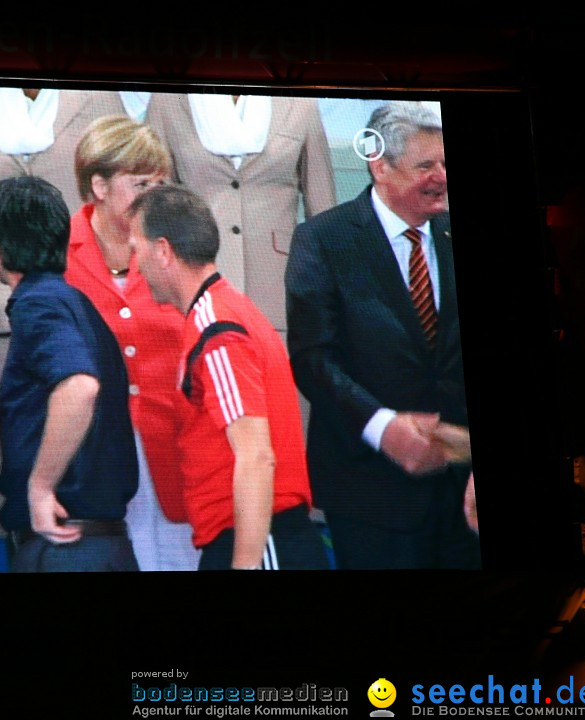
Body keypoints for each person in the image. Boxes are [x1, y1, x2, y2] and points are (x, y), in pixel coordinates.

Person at [285, 101, 479, 569]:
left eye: (447, 162)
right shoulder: (323, 240)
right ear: (380, 167)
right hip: (370, 494)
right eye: (426, 165)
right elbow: (313, 360)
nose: (442, 176)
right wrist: (383, 429)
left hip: (463, 496)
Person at [0, 87, 125, 537]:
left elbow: (119, 202)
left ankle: (65, 538)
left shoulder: (100, 95)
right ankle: (25, 546)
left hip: (76, 292)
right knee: (8, 444)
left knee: (81, 432)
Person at [129, 185, 328, 571]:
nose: (135, 265)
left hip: (258, 542)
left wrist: (245, 563)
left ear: (163, 251)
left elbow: (255, 456)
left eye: (137, 249)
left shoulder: (216, 328)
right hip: (256, 539)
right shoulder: (223, 312)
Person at [0, 176, 139, 572]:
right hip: (106, 547)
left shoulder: (39, 305)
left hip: (64, 548)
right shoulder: (79, 306)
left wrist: (40, 487)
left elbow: (79, 386)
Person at [65, 115, 200, 571]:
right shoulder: (58, 251)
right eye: (141, 183)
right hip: (94, 457)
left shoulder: (178, 249)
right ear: (99, 186)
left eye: (160, 183)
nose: (154, 196)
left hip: (177, 452)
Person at [145, 93, 335, 343]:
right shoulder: (169, 101)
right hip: (195, 282)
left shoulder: (299, 101)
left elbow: (323, 212)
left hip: (279, 286)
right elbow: (153, 208)